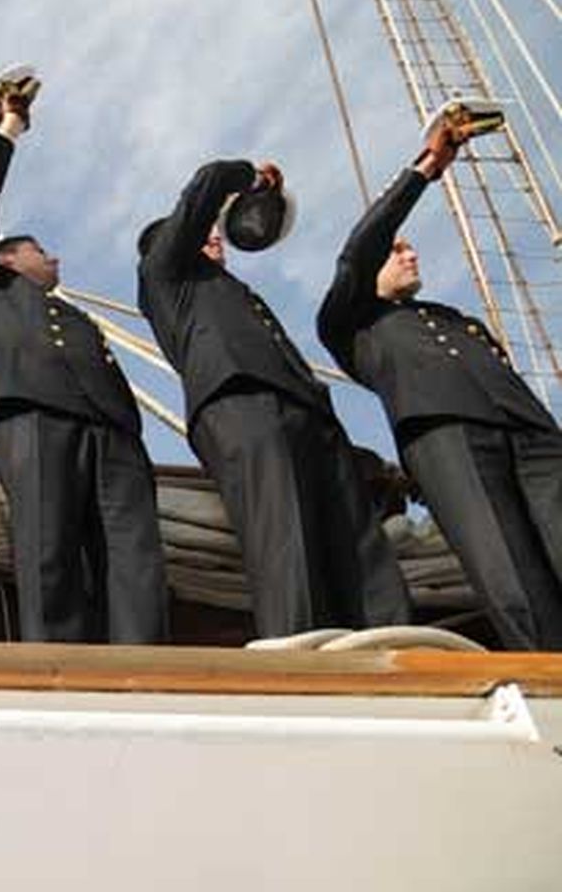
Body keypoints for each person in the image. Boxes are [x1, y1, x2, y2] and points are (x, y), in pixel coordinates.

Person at [317, 110, 562, 649]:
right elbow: (361, 248)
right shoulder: (352, 325)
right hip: (450, 443)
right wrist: (428, 166)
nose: (410, 253)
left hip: (536, 436)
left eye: (409, 247)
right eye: (397, 250)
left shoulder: (456, 320)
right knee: (511, 575)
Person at [137, 159, 411, 637]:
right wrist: (249, 179)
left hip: (309, 412)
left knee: (361, 546)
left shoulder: (233, 291)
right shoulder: (165, 274)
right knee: (287, 544)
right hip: (242, 406)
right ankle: (304, 667)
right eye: (204, 234)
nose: (216, 237)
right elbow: (206, 184)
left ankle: (403, 649)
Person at [0, 72, 167, 644]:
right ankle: (58, 669)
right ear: (11, 259)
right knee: (49, 559)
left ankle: (149, 669)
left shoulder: (73, 317)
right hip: (35, 424)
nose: (56, 258)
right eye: (43, 251)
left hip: (114, 436)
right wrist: (6, 130)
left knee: (135, 562)